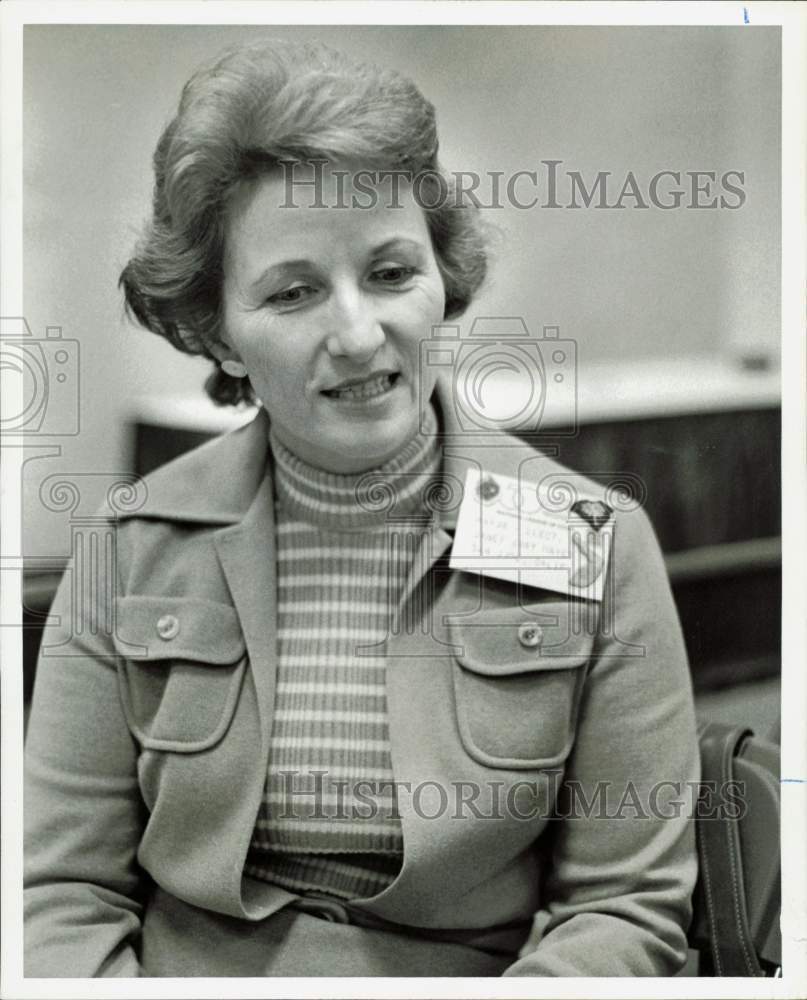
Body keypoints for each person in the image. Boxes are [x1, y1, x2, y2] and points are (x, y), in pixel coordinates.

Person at [24, 38, 699, 978]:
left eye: (389, 274)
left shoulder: (593, 542)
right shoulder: (127, 546)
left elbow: (623, 905)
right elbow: (56, 892)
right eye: (294, 291)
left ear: (441, 278)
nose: (356, 333)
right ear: (219, 334)